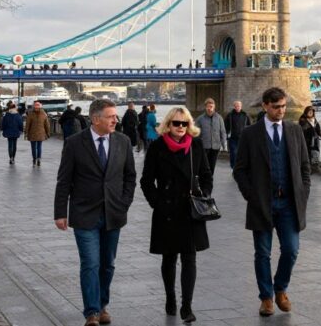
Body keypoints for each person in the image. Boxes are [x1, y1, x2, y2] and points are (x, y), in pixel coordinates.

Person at [54, 99, 136, 326]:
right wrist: (60, 213)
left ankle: (102, 305)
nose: (115, 120)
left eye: (115, 116)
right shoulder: (74, 143)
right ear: (95, 118)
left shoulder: (123, 141)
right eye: (110, 116)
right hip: (84, 214)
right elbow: (64, 181)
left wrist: (124, 202)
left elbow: (130, 177)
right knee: (90, 263)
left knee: (107, 264)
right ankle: (91, 312)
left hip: (113, 213)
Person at [233, 87, 311, 317]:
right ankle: (266, 297)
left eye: (284, 106)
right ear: (265, 106)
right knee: (263, 253)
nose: (281, 111)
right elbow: (240, 170)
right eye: (276, 107)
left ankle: (281, 288)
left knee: (292, 249)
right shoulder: (250, 134)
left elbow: (305, 167)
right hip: (262, 204)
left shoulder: (295, 131)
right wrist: (251, 195)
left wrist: (303, 193)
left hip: (289, 203)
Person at [140, 106, 213, 322]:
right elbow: (146, 180)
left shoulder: (196, 145)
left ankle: (186, 306)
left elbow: (207, 175)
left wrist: (203, 194)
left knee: (190, 259)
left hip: (190, 210)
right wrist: (157, 203)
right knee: (169, 258)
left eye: (185, 123)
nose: (181, 127)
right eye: (176, 123)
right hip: (167, 211)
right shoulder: (157, 147)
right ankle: (170, 297)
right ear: (168, 124)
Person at [194, 98, 227, 175]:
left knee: (212, 165)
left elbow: (223, 132)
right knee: (204, 165)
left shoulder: (219, 118)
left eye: (211, 106)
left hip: (216, 146)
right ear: (205, 107)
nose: (210, 108)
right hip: (204, 146)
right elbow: (195, 132)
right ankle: (203, 179)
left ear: (214, 107)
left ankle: (209, 179)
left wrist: (224, 145)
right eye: (208, 107)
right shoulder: (200, 119)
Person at [224, 100, 251, 169]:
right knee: (233, 152)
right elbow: (225, 125)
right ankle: (233, 166)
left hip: (242, 138)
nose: (237, 107)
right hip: (232, 137)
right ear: (234, 107)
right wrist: (226, 134)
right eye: (236, 106)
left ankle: (240, 166)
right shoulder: (230, 115)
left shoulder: (245, 115)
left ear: (241, 106)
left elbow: (249, 126)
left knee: (242, 153)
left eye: (238, 106)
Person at [26, 100, 51, 167]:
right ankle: (39, 159)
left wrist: (26, 133)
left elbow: (28, 125)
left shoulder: (30, 114)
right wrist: (48, 133)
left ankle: (34, 160)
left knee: (33, 147)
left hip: (32, 133)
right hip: (41, 133)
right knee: (39, 147)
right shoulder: (44, 114)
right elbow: (47, 125)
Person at [297, 106, 321, 172]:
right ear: (306, 112)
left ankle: (313, 168)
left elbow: (318, 131)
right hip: (306, 141)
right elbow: (302, 130)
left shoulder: (314, 120)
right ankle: (307, 170)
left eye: (312, 112)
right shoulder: (302, 120)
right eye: (309, 112)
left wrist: (313, 124)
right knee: (306, 155)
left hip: (314, 141)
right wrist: (311, 125)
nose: (311, 113)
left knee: (314, 154)